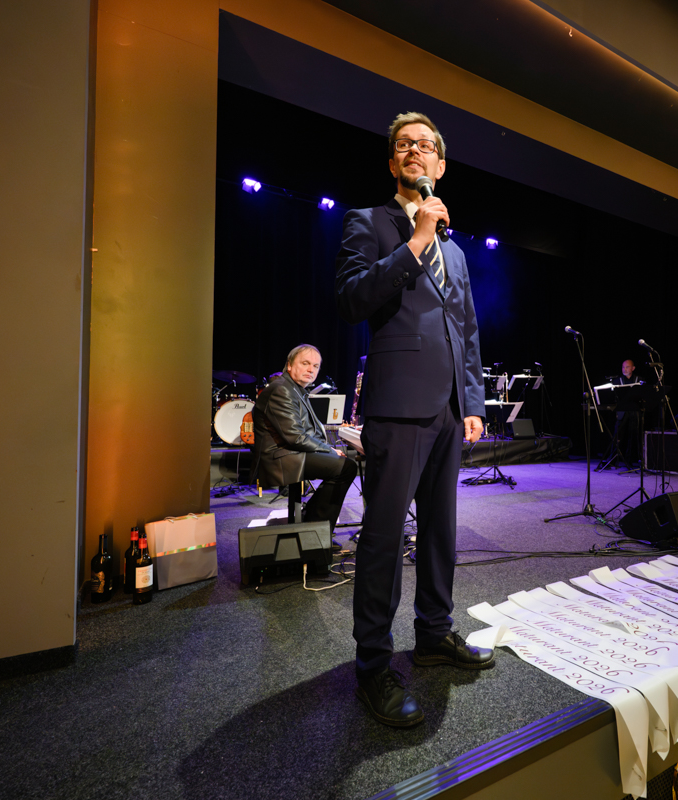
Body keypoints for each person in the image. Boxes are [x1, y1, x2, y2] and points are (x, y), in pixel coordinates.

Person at [335, 112, 492, 728]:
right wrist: (416, 240)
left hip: (449, 408)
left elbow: (467, 328)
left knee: (440, 532)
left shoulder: (457, 250)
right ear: (392, 162)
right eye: (403, 145)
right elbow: (352, 299)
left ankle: (433, 633)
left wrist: (473, 402)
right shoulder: (368, 222)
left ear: (440, 165)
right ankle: (373, 665)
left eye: (425, 145)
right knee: (382, 537)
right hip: (397, 404)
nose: (414, 151)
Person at [251, 344, 358, 533]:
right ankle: (315, 530)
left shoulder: (294, 389)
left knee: (345, 465)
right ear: (289, 365)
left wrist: (326, 448)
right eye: (305, 363)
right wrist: (329, 449)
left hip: (290, 451)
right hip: (280, 457)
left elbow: (305, 432)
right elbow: (296, 437)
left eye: (315, 366)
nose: (311, 370)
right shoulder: (282, 390)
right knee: (346, 468)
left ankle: (313, 523)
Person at [613, 359, 642, 468]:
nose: (624, 369)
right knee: (618, 435)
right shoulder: (618, 380)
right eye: (623, 367)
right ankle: (613, 459)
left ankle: (630, 459)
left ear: (633, 368)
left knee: (633, 435)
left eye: (627, 367)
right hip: (622, 411)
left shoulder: (639, 380)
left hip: (634, 411)